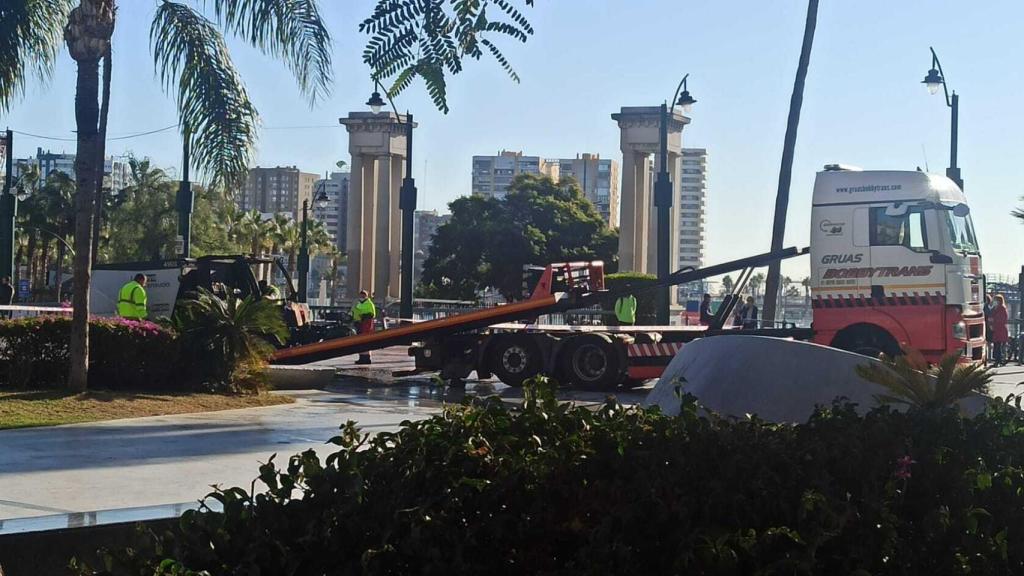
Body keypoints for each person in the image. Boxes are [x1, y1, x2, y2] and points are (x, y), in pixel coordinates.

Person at [351, 290, 377, 365]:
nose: (362, 296)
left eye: (363, 295)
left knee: (365, 340)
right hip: (359, 323)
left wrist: (363, 317)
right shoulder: (359, 303)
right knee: (361, 341)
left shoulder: (368, 303)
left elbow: (371, 314)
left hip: (365, 324)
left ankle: (365, 358)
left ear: (366, 296)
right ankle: (362, 357)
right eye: (361, 295)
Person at [991, 294, 1009, 366]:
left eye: (995, 300)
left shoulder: (1001, 309)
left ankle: (998, 361)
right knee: (997, 346)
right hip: (998, 330)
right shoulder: (996, 308)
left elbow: (1001, 320)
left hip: (1000, 330)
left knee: (998, 346)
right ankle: (998, 360)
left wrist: (993, 321)